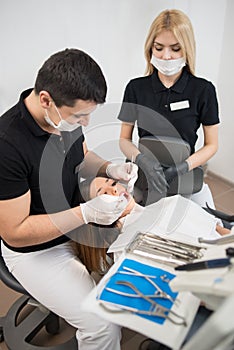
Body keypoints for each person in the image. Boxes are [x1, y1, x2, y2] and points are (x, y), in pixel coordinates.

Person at [0, 48, 138, 350]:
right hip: (36, 250)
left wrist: (110, 167)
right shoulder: (7, 145)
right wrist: (86, 214)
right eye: (80, 115)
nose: (86, 123)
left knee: (144, 256)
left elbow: (83, 156)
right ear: (46, 100)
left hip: (75, 221)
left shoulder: (63, 120)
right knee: (102, 325)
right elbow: (15, 232)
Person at [118, 9, 219, 208]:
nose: (166, 56)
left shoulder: (203, 90)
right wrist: (142, 160)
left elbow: (212, 145)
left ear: (187, 49)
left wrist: (182, 167)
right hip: (143, 178)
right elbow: (124, 139)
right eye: (159, 48)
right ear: (150, 49)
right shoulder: (135, 88)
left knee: (209, 228)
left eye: (175, 49)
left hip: (184, 176)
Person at [71, 176, 230, 274]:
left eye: (112, 183)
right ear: (96, 214)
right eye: (104, 193)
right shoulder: (125, 248)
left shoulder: (170, 203)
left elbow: (220, 231)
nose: (114, 190)